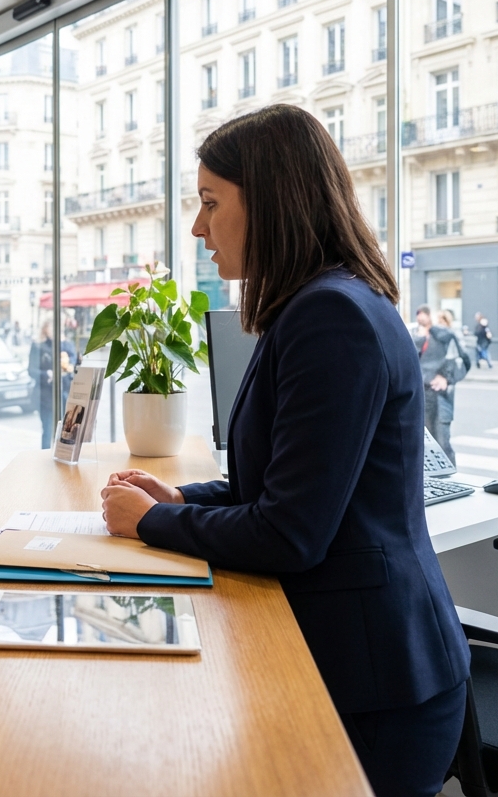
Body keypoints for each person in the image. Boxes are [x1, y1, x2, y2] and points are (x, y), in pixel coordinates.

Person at [100, 105, 468, 797]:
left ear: (269, 201)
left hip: (378, 686)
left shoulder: (331, 317)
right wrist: (183, 498)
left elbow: (290, 533)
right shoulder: (322, 304)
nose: (197, 226)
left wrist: (150, 523)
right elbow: (282, 483)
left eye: (211, 203)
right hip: (366, 661)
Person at [414, 306, 463, 465]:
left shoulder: (446, 338)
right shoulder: (417, 337)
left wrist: (447, 379)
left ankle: (451, 481)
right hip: (424, 394)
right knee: (427, 443)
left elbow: (460, 361)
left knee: (442, 442)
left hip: (441, 397)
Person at [28, 320, 80, 448]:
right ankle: (45, 460)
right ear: (45, 329)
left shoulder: (67, 345)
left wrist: (70, 367)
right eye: (51, 327)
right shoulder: (38, 346)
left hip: (66, 394)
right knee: (48, 431)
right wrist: (47, 374)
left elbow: (74, 366)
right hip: (46, 397)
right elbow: (31, 370)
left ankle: (64, 460)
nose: (54, 330)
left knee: (67, 432)